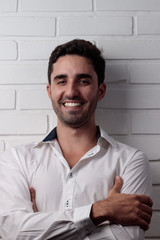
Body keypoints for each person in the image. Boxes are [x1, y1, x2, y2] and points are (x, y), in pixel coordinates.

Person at [0, 39, 152, 240]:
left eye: (83, 81)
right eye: (62, 81)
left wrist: (41, 227)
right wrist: (100, 210)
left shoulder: (131, 162)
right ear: (50, 91)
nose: (71, 91)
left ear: (101, 91)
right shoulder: (16, 160)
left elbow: (127, 238)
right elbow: (12, 232)